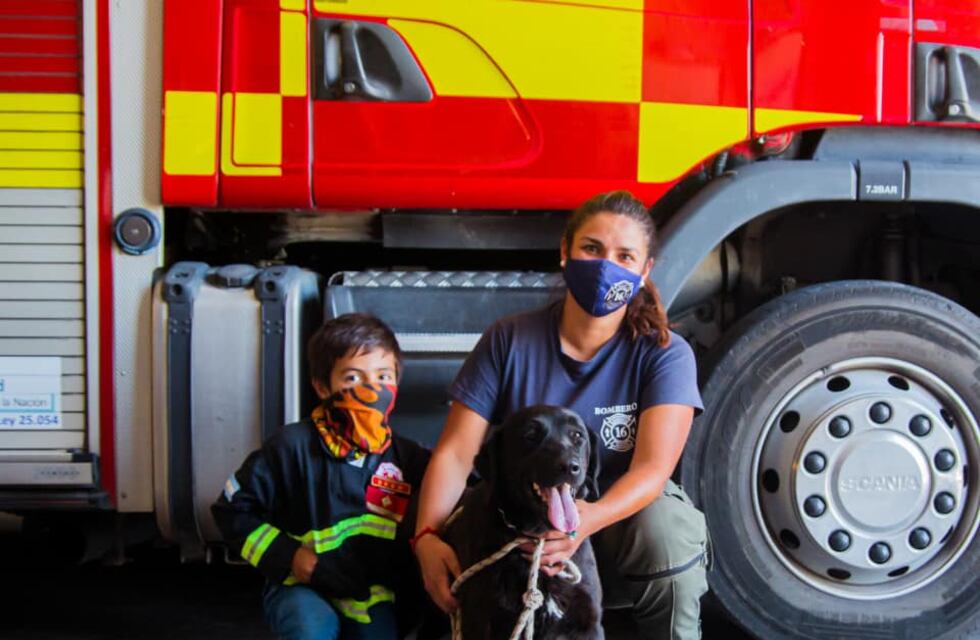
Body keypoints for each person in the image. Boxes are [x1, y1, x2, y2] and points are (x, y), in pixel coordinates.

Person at [412, 191, 710, 639]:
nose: (606, 264)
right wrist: (426, 540)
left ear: (645, 271)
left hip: (614, 512)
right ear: (565, 252)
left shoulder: (664, 354)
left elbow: (652, 468)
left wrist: (586, 520)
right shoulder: (509, 340)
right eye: (592, 248)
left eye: (624, 255)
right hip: (526, 514)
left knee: (666, 526)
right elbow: (457, 453)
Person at [212, 313, 430, 640]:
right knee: (311, 629)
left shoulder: (409, 458)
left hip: (369, 593)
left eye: (384, 375)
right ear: (321, 386)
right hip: (299, 585)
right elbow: (231, 511)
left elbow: (460, 496)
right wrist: (295, 560)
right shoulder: (291, 448)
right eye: (353, 380)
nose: (373, 390)